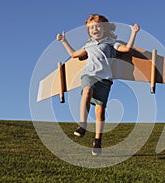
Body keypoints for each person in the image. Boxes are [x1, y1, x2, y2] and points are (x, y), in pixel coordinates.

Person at [56, 14, 139, 156]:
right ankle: (82, 125)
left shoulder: (111, 42)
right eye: (91, 27)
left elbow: (126, 49)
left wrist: (133, 33)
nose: (95, 29)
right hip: (89, 75)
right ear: (89, 31)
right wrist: (64, 41)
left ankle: (97, 140)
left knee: (100, 112)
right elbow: (75, 55)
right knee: (87, 91)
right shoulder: (88, 45)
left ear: (104, 29)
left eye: (98, 26)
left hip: (105, 80)